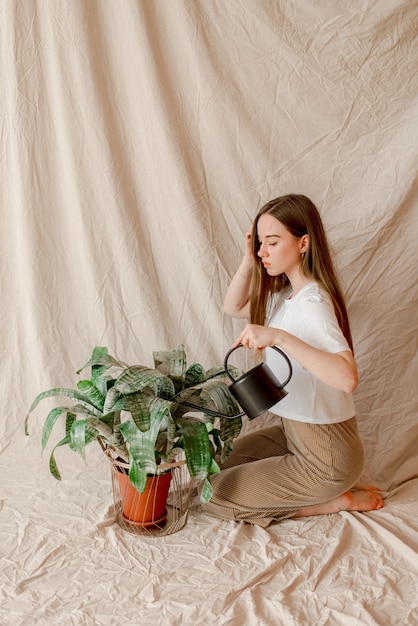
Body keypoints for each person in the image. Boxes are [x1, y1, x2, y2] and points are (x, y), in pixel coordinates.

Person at [203, 194, 383, 527]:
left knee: (213, 496)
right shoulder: (287, 297)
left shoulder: (313, 302)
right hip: (293, 437)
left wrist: (279, 337)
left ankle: (331, 502)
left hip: (325, 459)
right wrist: (248, 259)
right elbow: (233, 306)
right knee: (212, 464)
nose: (262, 251)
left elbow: (347, 378)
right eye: (259, 243)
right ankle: (321, 492)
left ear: (303, 243)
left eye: (272, 242)